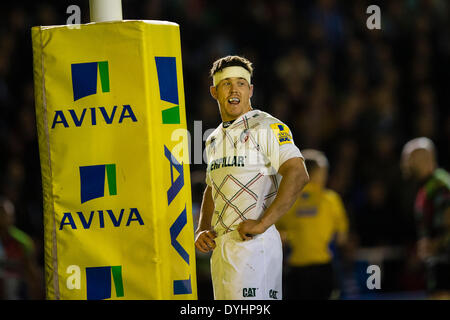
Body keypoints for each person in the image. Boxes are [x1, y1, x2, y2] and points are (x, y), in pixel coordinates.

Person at [194, 55, 309, 300]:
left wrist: (263, 224)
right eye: (226, 83)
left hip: (254, 247)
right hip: (223, 251)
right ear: (214, 91)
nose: (234, 89)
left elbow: (298, 173)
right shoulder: (213, 138)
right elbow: (211, 187)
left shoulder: (266, 126)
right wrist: (203, 227)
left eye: (241, 83)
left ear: (250, 90)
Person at [277, 149, 349, 299]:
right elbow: (342, 238)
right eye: (323, 172)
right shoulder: (331, 200)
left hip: (295, 269)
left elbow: (276, 233)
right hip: (323, 268)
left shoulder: (286, 200)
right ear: (316, 173)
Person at [401, 137, 450, 299]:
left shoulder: (440, 186)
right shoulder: (427, 186)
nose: (405, 164)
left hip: (445, 264)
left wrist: (435, 245)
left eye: (410, 158)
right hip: (437, 263)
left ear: (425, 158)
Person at [0, 197, 42, 299]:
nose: (2, 218)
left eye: (5, 214)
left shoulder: (22, 242)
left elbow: (32, 273)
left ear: (12, 217)